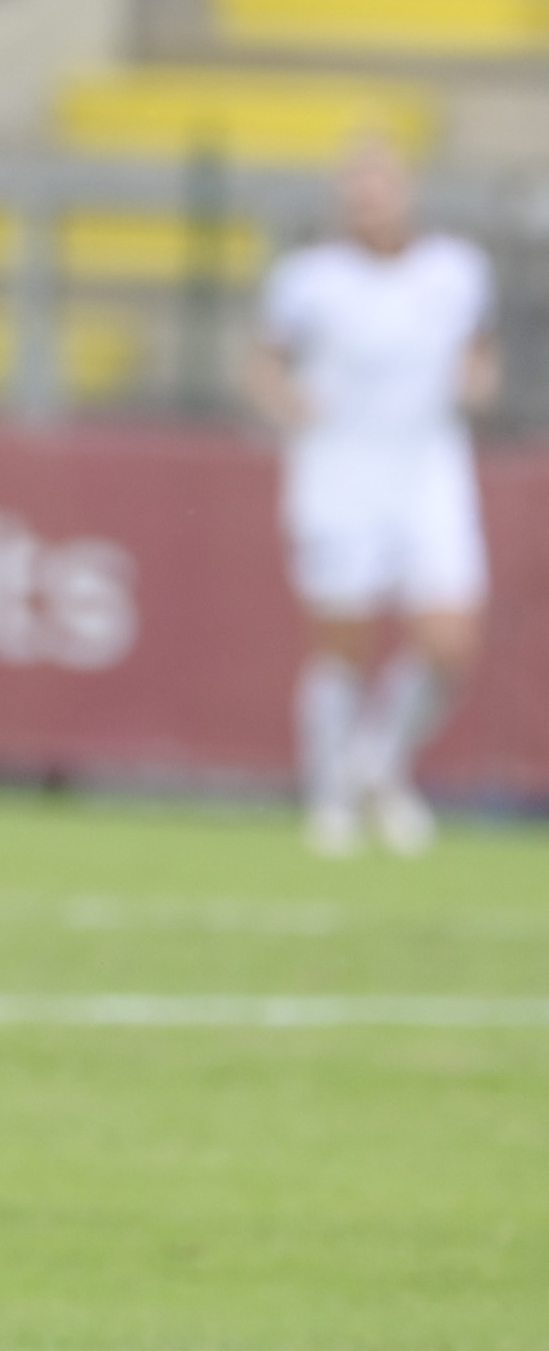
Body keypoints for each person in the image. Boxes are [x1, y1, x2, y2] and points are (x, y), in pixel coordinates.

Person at [243, 139, 492, 856]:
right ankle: (328, 794)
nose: (368, 207)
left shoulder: (455, 271)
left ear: (406, 195)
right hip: (339, 469)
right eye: (355, 195)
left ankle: (374, 759)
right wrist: (285, 403)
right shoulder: (308, 280)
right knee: (340, 641)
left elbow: (477, 349)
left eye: (378, 191)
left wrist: (475, 380)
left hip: (427, 467)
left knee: (448, 638)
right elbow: (264, 360)